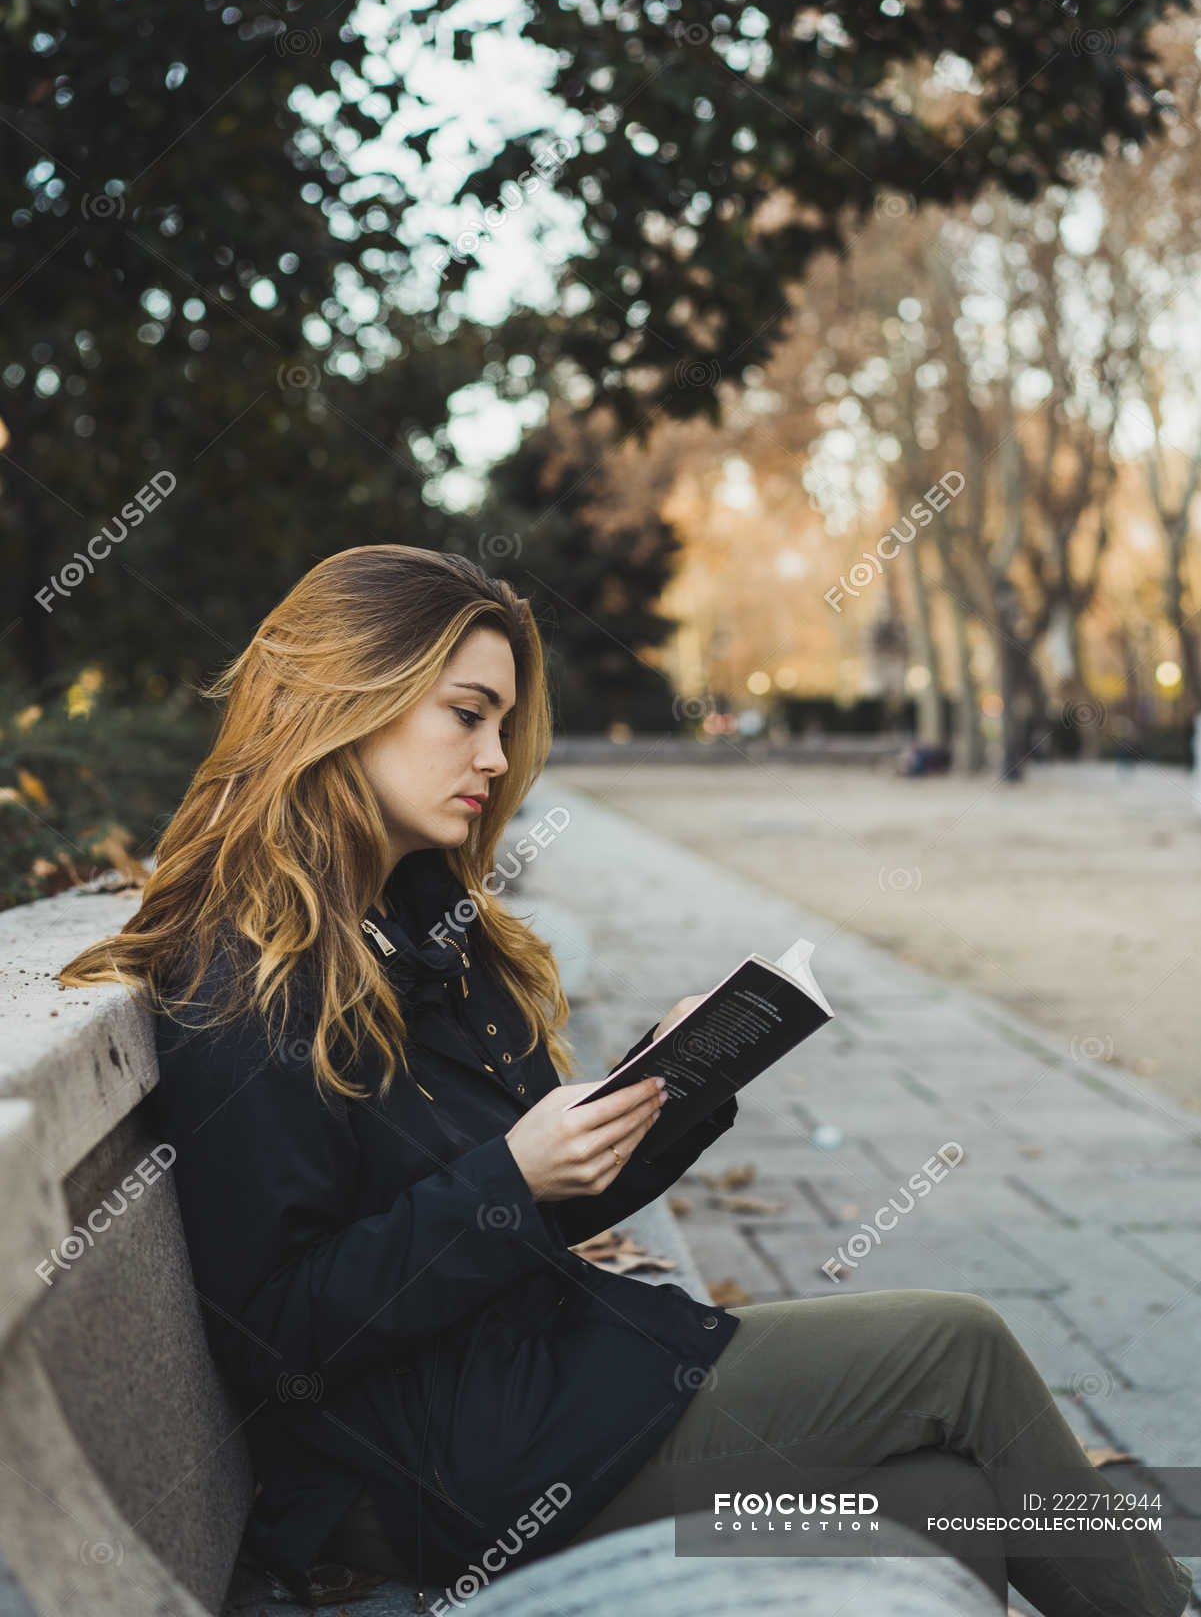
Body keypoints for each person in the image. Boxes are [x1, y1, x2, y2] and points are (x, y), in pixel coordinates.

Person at [57, 545, 1193, 1617]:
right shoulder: (247, 980)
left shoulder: (419, 927)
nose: (496, 759)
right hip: (441, 1477)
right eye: (466, 716)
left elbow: (530, 1212)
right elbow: (282, 1337)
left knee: (947, 1504)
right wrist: (511, 1176)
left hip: (539, 1389)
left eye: (500, 724)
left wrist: (669, 1087)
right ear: (347, 701)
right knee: (957, 1344)